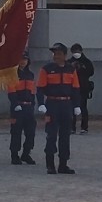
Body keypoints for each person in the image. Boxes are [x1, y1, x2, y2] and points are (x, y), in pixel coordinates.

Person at [39, 42, 80, 174]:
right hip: (52, 104)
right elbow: (40, 88)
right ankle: (50, 164)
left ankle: (63, 164)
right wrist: (41, 103)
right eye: (54, 54)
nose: (56, 56)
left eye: (59, 54)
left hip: (66, 105)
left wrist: (76, 105)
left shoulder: (71, 69)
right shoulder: (46, 69)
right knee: (51, 135)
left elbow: (75, 89)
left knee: (65, 135)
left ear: (65, 55)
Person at [7, 54, 38, 165]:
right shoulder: (13, 75)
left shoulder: (30, 75)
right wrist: (15, 104)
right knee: (16, 132)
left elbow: (33, 91)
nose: (23, 62)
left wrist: (33, 104)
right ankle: (14, 155)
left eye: (25, 59)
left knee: (30, 132)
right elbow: (11, 91)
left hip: (28, 107)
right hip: (17, 107)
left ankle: (26, 153)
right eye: (21, 59)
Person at [68, 44, 96, 133]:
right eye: (74, 52)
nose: (76, 53)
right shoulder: (69, 62)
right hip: (71, 87)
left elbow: (91, 72)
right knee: (71, 108)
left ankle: (84, 127)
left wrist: (82, 68)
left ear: (81, 51)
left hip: (83, 87)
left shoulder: (86, 62)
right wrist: (72, 67)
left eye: (77, 51)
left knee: (83, 107)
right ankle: (71, 127)